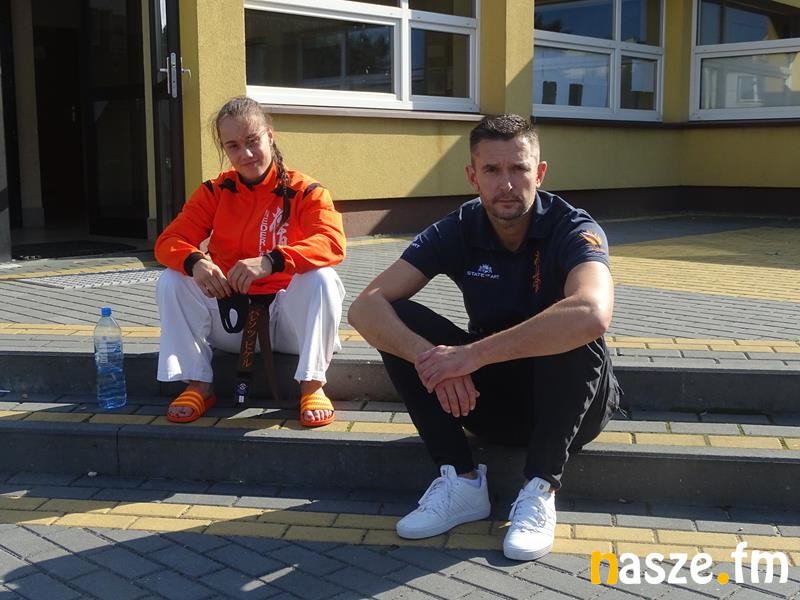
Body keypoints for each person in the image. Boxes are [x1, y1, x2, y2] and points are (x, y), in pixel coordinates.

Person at [348, 114, 620, 561]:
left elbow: (593, 312)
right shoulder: (458, 227)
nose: (506, 184)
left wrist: (470, 356)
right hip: (488, 403)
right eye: (492, 170)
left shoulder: (571, 226)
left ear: (540, 173)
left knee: (572, 326)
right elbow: (364, 308)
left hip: (571, 408)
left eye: (518, 168)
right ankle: (461, 482)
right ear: (473, 176)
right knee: (397, 318)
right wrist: (431, 358)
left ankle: (540, 488)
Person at [154, 96, 346, 427]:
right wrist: (196, 262)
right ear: (225, 149)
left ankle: (312, 385)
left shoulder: (307, 191)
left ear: (270, 136)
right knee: (172, 279)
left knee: (323, 278)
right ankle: (198, 384)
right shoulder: (215, 191)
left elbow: (331, 242)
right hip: (232, 321)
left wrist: (272, 261)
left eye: (253, 141)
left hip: (289, 324)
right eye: (233, 146)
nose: (245, 154)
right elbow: (168, 242)